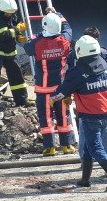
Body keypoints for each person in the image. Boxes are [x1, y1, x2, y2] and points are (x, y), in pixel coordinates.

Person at [53, 35, 107, 191]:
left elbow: (61, 93)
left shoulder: (77, 72)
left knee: (95, 148)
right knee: (87, 149)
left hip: (90, 116)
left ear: (79, 51)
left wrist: (52, 97)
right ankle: (85, 179)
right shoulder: (106, 66)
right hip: (106, 113)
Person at [24, 10, 75, 155]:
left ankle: (50, 147)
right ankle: (67, 145)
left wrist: (40, 34)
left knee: (46, 117)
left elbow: (27, 47)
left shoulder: (37, 43)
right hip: (60, 87)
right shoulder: (65, 41)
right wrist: (58, 13)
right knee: (63, 115)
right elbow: (68, 29)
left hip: (44, 88)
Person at [0, 0, 28, 106]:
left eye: (11, 13)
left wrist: (18, 36)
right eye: (7, 13)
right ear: (0, 10)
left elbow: (12, 29)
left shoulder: (11, 16)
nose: (9, 15)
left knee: (16, 73)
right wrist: (18, 29)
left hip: (9, 51)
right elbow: (4, 35)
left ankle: (21, 100)